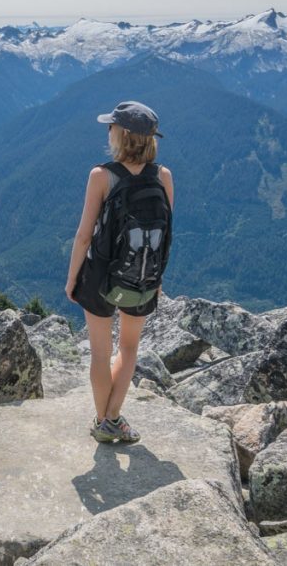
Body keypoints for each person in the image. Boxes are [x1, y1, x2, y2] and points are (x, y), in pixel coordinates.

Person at [64, 100, 174, 444]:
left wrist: (72, 280)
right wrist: (157, 279)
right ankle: (113, 418)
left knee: (100, 351)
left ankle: (104, 421)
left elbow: (84, 236)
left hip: (99, 274)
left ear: (122, 134)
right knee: (128, 348)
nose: (107, 130)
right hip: (143, 276)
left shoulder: (102, 176)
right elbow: (166, 233)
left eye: (111, 126)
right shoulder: (164, 176)